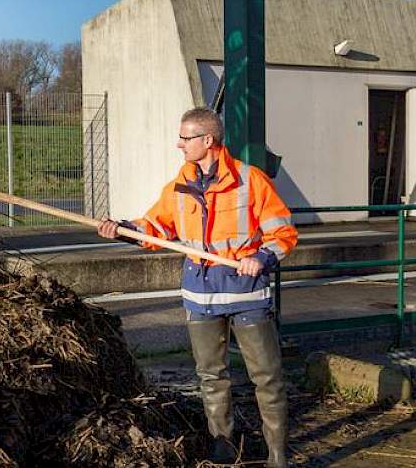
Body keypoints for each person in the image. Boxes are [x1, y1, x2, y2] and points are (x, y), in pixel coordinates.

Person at [97, 108, 298, 467]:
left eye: (185, 137)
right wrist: (124, 229)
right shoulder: (179, 186)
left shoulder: (250, 181)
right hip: (200, 298)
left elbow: (283, 233)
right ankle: (223, 448)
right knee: (211, 378)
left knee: (267, 379)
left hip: (246, 296)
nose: (179, 144)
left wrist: (262, 258)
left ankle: (278, 456)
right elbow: (155, 227)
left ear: (208, 140)